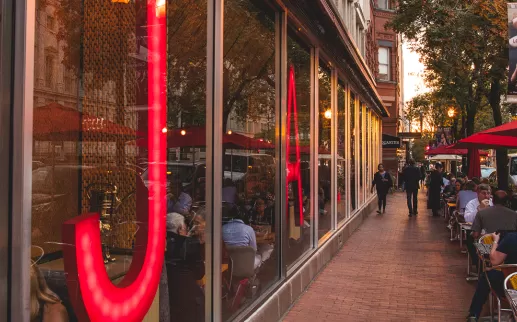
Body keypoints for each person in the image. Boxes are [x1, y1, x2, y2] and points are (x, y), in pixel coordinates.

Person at [466, 232, 517, 320]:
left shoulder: (511, 238)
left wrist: (495, 241)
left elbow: (494, 261)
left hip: (512, 286)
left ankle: (473, 314)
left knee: (487, 275)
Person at [165, 212, 205, 322]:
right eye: (185, 228)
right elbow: (199, 273)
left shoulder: (158, 244)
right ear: (180, 228)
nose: (187, 231)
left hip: (167, 299)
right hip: (189, 301)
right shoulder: (189, 244)